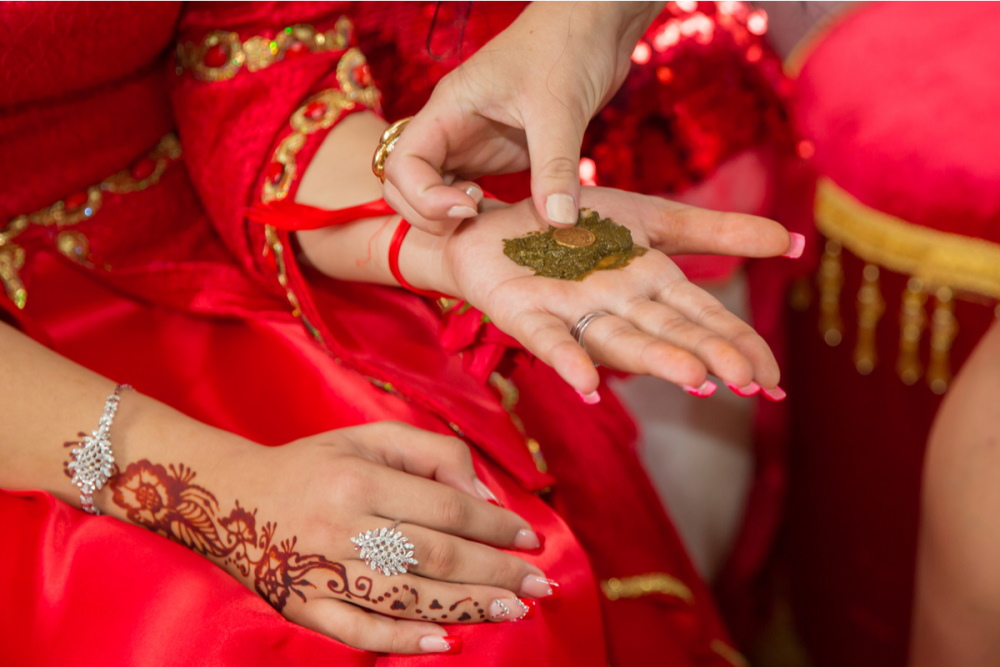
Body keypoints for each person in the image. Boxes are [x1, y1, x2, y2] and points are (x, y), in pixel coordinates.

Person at [0, 2, 799, 666]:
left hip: (198, 249)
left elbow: (253, 62)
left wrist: (450, 237)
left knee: (493, 592)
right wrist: (214, 493)